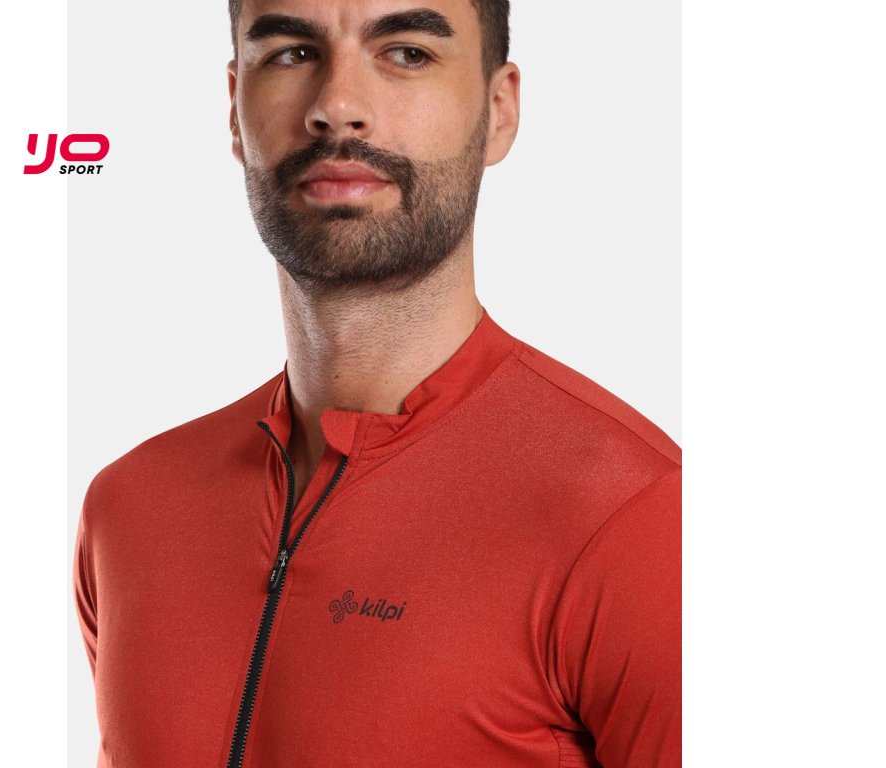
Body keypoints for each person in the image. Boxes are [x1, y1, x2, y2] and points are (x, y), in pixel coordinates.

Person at [73, 1, 681, 766]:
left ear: (498, 111)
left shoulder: (634, 521)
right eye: (292, 53)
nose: (337, 107)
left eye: (407, 53)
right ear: (234, 109)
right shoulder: (131, 508)